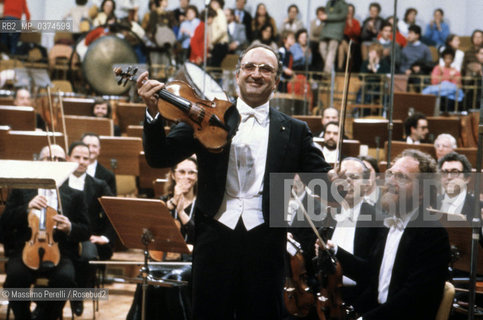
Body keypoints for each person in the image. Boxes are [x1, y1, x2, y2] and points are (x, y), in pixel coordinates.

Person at [137, 43, 332, 319]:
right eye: (250, 67)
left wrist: (337, 179)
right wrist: (153, 113)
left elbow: (323, 183)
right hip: (214, 237)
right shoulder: (206, 115)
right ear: (238, 74)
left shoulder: (296, 131)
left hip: (266, 242)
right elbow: (158, 157)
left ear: (276, 82)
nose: (256, 73)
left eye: (266, 69)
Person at [331, 149, 450, 320]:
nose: (390, 182)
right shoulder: (388, 225)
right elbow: (372, 278)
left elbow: (412, 298)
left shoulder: (432, 234)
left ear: (422, 192)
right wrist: (335, 252)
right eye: (391, 174)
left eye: (401, 177)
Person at [0, 144, 90, 320]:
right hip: (24, 250)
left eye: (59, 160)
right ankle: (23, 317)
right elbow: (3, 224)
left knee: (65, 280)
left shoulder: (75, 194)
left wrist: (70, 227)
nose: (54, 162)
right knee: (15, 278)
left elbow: (86, 230)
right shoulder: (22, 191)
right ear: (39, 162)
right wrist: (26, 208)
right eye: (49, 158)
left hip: (60, 252)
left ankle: (47, 316)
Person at [127, 157, 197, 320]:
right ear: (173, 175)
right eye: (182, 171)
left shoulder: (202, 204)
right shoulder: (162, 203)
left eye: (192, 172)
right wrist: (173, 202)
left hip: (190, 261)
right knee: (146, 275)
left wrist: (181, 213)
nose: (187, 176)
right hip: (163, 259)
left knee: (175, 278)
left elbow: (198, 236)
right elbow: (148, 231)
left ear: (197, 176)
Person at [66, 141, 114, 316]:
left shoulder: (99, 185)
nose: (81, 161)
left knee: (88, 257)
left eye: (85, 158)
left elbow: (113, 213)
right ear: (68, 158)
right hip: (61, 235)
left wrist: (105, 237)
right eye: (77, 157)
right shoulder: (60, 182)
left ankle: (77, 297)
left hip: (88, 236)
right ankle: (49, 303)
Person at [318, 0, 348, 74]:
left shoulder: (343, 4)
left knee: (332, 49)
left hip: (336, 30)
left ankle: (327, 71)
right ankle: (330, 67)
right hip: (326, 30)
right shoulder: (329, 3)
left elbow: (343, 15)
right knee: (322, 47)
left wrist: (328, 17)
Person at [337, 3, 361, 71]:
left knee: (341, 45)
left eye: (351, 11)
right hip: (343, 40)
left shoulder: (356, 22)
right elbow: (340, 32)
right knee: (341, 45)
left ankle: (340, 67)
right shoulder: (342, 21)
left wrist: (350, 26)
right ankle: (349, 59)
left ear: (353, 12)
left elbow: (357, 34)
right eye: (348, 10)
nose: (349, 12)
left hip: (352, 40)